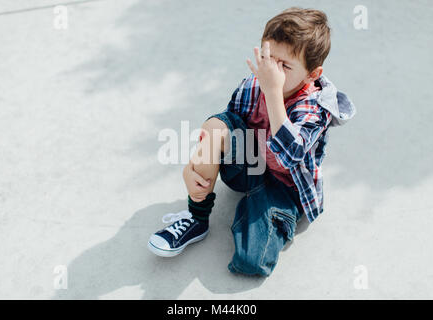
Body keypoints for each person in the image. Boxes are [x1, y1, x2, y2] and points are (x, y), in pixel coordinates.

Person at [147, 7, 356, 276]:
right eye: (269, 59)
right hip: (251, 163)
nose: (271, 71)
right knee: (215, 126)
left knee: (250, 263)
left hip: (285, 186)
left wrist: (272, 92)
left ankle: (266, 213)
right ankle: (196, 218)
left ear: (312, 74)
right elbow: (226, 126)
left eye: (284, 66)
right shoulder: (252, 84)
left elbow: (289, 156)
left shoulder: (314, 109)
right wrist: (193, 166)